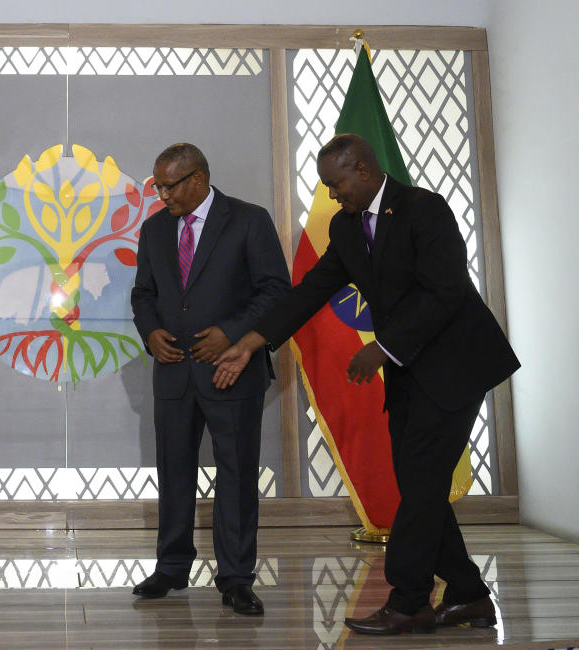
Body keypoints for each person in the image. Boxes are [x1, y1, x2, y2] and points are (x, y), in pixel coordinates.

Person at [213, 133, 520, 634]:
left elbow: (444, 292)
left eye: (336, 185)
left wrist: (382, 347)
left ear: (361, 169)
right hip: (409, 370)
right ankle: (468, 596)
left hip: (456, 364)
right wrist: (253, 340)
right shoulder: (346, 226)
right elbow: (312, 290)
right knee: (420, 485)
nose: (334, 196)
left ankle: (408, 601)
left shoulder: (425, 209)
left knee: (420, 482)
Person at [130, 143, 290, 615]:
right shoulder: (155, 229)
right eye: (157, 185)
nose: (162, 195)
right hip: (174, 372)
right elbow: (144, 295)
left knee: (237, 474)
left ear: (198, 178)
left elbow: (276, 290)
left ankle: (236, 578)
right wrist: (151, 332)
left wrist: (233, 333)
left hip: (231, 371)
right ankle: (171, 567)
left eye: (170, 186)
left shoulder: (248, 219)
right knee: (173, 471)